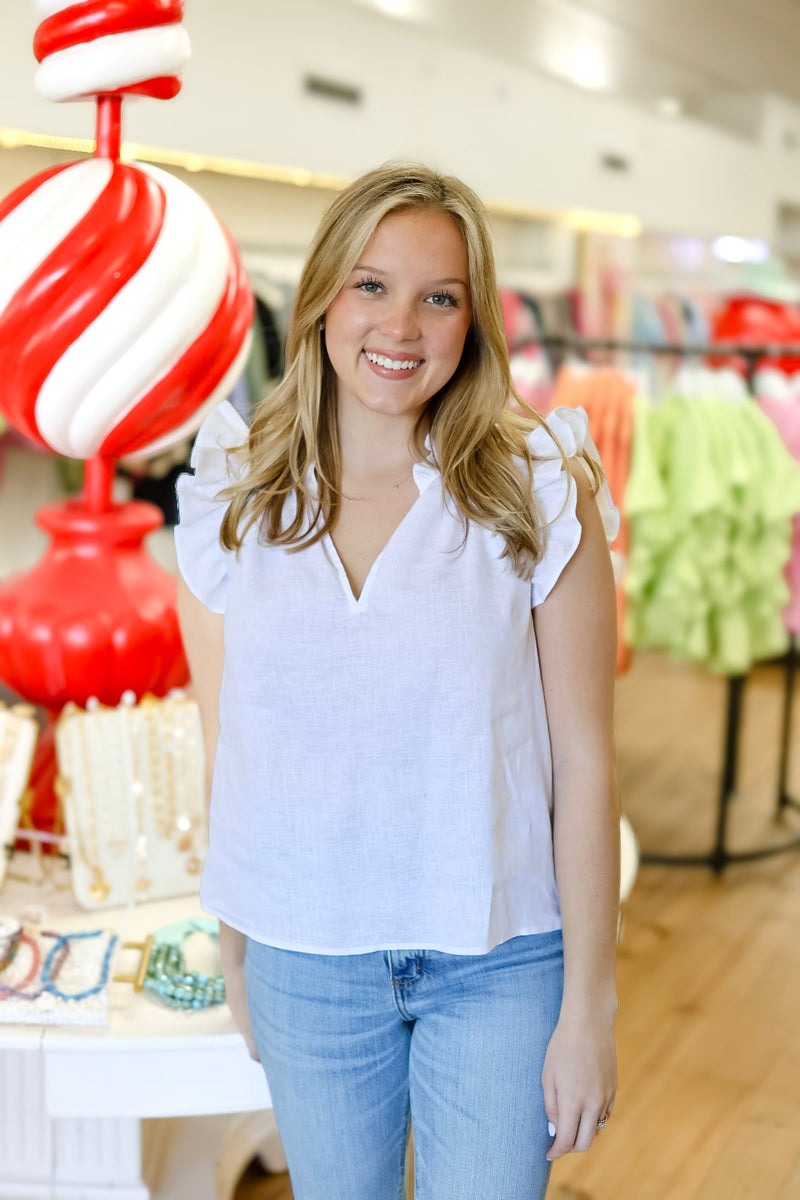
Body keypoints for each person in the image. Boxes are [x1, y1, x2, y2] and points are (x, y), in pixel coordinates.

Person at [175, 162, 620, 1200]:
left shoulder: (536, 492)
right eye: (371, 285)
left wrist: (589, 1005)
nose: (401, 327)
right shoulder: (233, 493)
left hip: (498, 961)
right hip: (306, 958)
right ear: (323, 294)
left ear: (473, 320)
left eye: (439, 296)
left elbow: (586, 763)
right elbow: (228, 740)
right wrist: (235, 941)